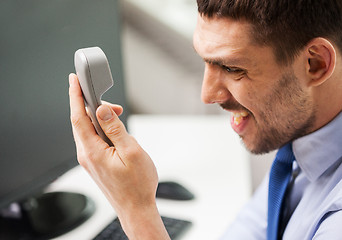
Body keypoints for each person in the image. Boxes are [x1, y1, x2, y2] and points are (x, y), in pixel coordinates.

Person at [68, 0, 342, 239]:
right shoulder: (302, 137)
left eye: (232, 68)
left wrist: (136, 211)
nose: (207, 94)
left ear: (315, 64)